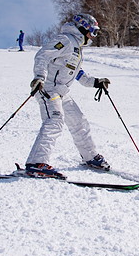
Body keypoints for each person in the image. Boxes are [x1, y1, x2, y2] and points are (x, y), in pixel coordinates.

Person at [25, 13, 111, 178]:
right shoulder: (65, 40)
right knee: (54, 121)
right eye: (92, 31)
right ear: (82, 28)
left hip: (62, 92)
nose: (93, 36)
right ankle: (36, 163)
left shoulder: (76, 48)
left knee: (79, 122)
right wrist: (39, 78)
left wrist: (95, 82)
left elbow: (77, 73)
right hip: (49, 89)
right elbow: (43, 55)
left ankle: (90, 157)